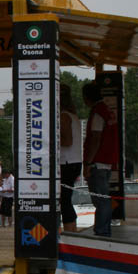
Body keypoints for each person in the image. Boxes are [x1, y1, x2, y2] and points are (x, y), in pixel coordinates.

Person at [82, 82, 118, 237]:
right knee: (104, 198)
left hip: (98, 162)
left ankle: (101, 231)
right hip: (107, 161)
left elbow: (96, 138)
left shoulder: (98, 112)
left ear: (87, 97)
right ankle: (104, 229)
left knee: (100, 200)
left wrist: (88, 162)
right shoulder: (108, 111)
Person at [59, 84, 83, 232]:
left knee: (64, 200)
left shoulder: (64, 116)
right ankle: (72, 229)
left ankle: (69, 231)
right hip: (74, 161)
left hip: (66, 162)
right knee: (66, 199)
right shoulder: (74, 116)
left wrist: (50, 140)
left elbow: (67, 141)